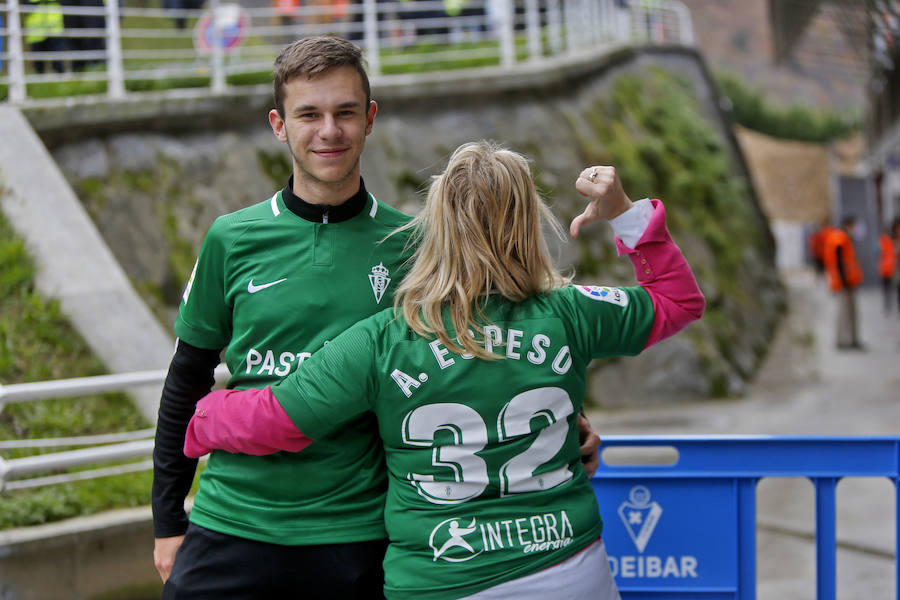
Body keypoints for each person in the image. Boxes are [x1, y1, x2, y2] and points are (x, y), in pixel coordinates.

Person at [152, 36, 601, 599]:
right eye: (308, 114)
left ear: (370, 120)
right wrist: (168, 521)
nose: (328, 131)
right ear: (278, 124)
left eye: (344, 113)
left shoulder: (414, 244)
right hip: (234, 521)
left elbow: (494, 344)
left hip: (360, 533)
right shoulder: (231, 237)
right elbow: (186, 379)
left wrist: (568, 421)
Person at [182, 141, 706, 599]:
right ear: (528, 222)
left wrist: (205, 413)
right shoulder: (573, 312)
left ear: (437, 226)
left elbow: (275, 420)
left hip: (440, 576)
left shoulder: (386, 339)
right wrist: (624, 212)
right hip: (569, 565)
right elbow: (679, 301)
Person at [823, 215, 864, 350]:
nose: (854, 229)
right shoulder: (840, 238)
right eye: (853, 225)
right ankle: (843, 340)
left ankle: (850, 339)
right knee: (844, 312)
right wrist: (844, 280)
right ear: (848, 225)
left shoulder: (841, 237)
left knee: (848, 311)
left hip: (846, 282)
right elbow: (839, 261)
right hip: (844, 283)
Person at [879, 225, 897, 314]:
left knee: (891, 289)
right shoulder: (885, 241)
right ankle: (888, 305)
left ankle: (889, 305)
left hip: (891, 269)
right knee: (887, 289)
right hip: (886, 269)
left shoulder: (889, 241)